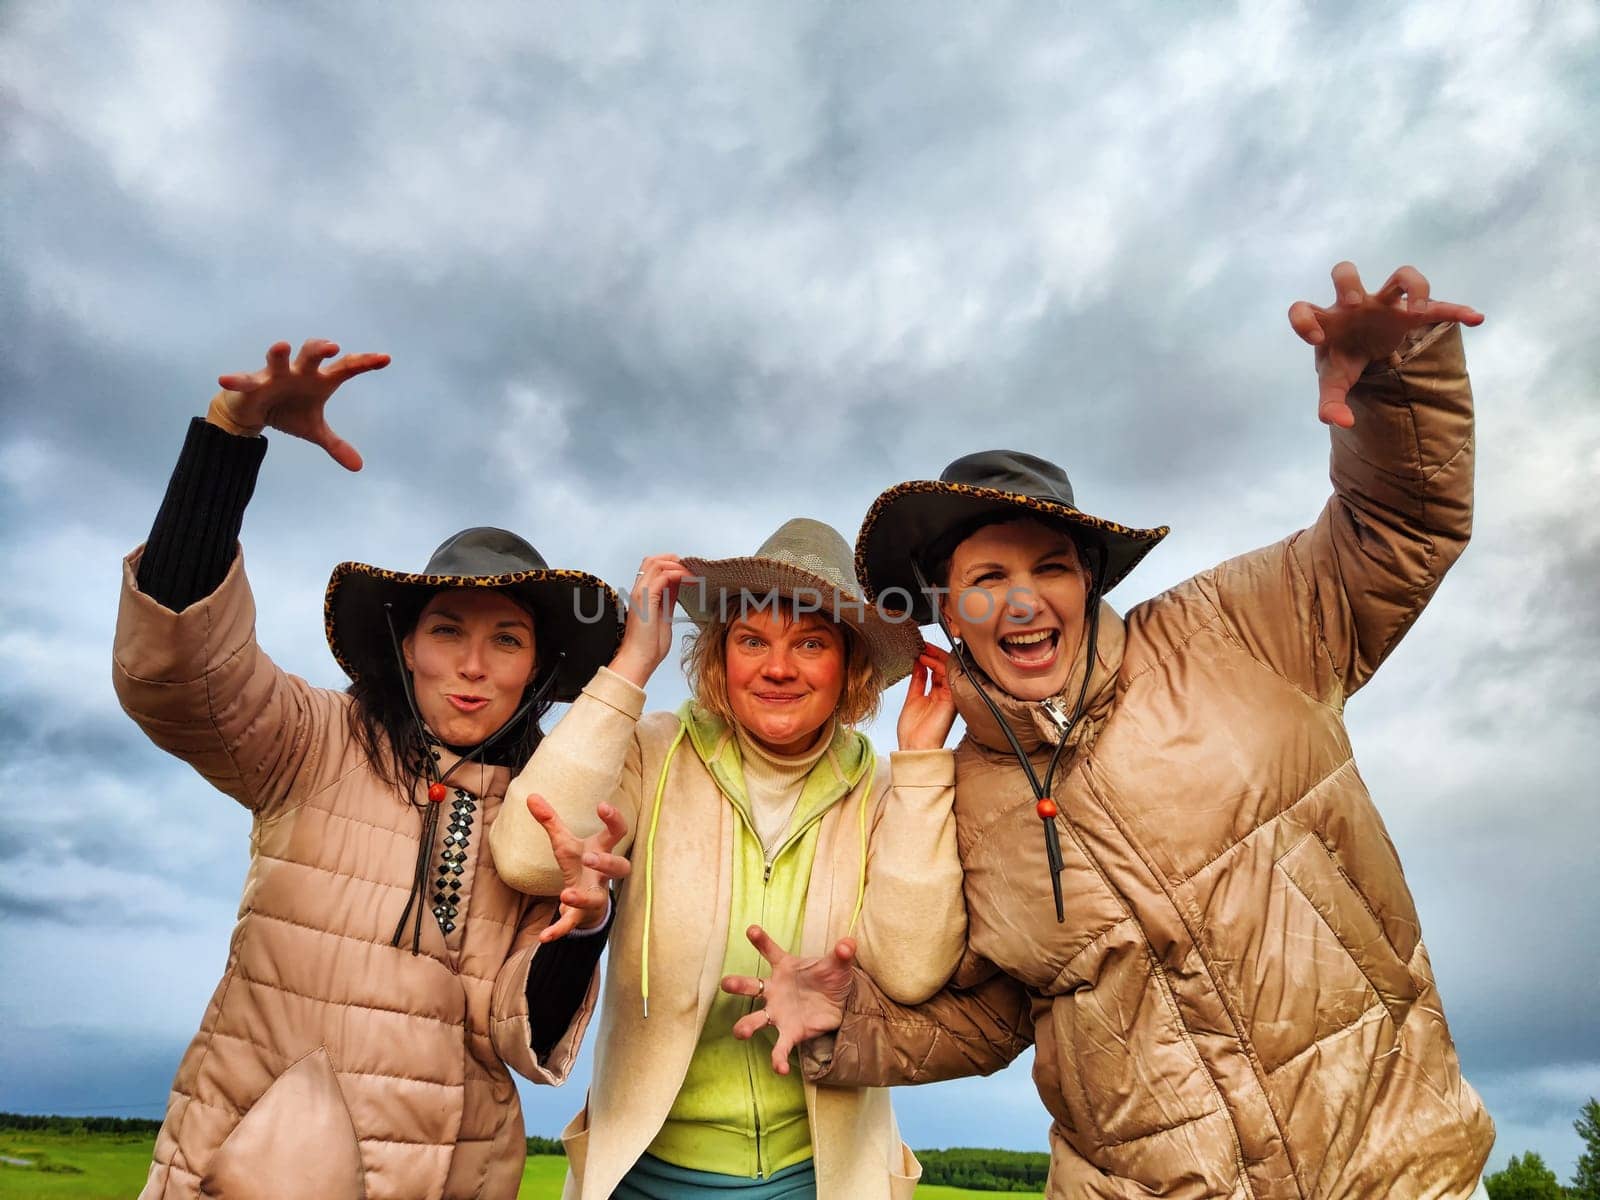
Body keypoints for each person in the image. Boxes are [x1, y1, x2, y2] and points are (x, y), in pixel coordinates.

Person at [726, 264, 1496, 1198]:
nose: (1022, 600)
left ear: (1089, 580)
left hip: (1398, 1170)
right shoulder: (957, 800)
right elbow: (995, 1014)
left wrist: (1391, 383)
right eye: (986, 577)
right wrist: (846, 1025)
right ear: (945, 609)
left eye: (1050, 566)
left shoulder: (1242, 631)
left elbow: (1399, 528)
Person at [113, 339, 631, 1200]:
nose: (473, 664)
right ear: (406, 648)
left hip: (452, 1169)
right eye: (447, 630)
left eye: (507, 639)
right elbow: (178, 671)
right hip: (248, 1160)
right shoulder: (312, 741)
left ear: (537, 672)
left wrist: (582, 928)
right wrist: (228, 443)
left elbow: (520, 1039)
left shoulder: (545, 814)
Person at [490, 518, 968, 1199]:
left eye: (811, 643)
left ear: (852, 666)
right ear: (720, 657)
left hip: (823, 1178)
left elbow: (915, 971)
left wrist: (922, 763)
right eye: (752, 640)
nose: (778, 668)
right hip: (642, 1172)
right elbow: (527, 858)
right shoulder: (651, 753)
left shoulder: (888, 794)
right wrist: (631, 666)